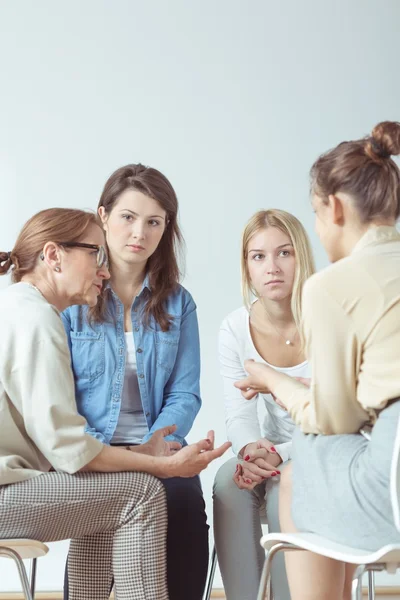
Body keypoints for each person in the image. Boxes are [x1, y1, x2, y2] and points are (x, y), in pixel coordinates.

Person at [0, 207, 230, 600]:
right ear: (53, 256)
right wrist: (161, 464)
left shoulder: (15, 306)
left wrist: (140, 450)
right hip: (7, 494)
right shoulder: (38, 320)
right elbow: (70, 450)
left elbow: (61, 441)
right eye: (95, 254)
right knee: (140, 492)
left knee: (112, 489)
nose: (103, 271)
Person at [235, 121, 400, 600]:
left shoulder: (331, 285)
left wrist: (270, 378)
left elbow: (332, 418)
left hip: (389, 488)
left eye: (315, 215)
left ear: (334, 207)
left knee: (303, 461)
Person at [61, 164, 209, 600]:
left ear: (166, 229)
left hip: (160, 445)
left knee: (183, 502)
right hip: (92, 451)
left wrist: (155, 445)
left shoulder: (180, 303)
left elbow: (185, 392)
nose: (138, 233)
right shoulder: (71, 300)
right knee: (104, 515)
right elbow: (59, 398)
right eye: (127, 217)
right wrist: (103, 449)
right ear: (103, 216)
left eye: (153, 222)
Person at [213, 209, 315, 600]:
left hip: (324, 447)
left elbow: (335, 417)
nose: (272, 267)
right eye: (258, 256)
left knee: (281, 489)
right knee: (228, 481)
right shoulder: (235, 328)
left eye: (284, 253)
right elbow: (239, 413)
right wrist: (254, 450)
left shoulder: (327, 317)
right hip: (269, 450)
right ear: (247, 267)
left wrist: (279, 455)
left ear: (301, 256)